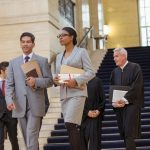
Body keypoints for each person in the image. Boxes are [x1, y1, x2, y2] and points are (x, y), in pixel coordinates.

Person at [5, 32, 53, 150]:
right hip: (19, 105)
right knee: (28, 138)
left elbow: (50, 81)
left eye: (28, 42)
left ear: (33, 44)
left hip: (35, 104)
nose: (25, 44)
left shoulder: (42, 60)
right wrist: (9, 100)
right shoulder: (13, 62)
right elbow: (9, 85)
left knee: (31, 134)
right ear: (20, 44)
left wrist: (36, 81)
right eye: (23, 42)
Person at [53, 27, 95, 150]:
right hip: (64, 94)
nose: (60, 37)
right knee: (70, 126)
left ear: (72, 37)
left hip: (77, 93)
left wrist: (76, 80)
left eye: (63, 35)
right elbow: (58, 74)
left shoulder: (81, 52)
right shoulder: (58, 56)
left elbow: (90, 72)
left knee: (70, 123)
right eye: (59, 36)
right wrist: (55, 79)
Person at [110, 48, 144, 150]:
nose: (114, 59)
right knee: (124, 133)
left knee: (129, 132)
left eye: (116, 56)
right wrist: (114, 102)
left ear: (124, 56)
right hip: (119, 107)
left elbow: (137, 86)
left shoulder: (135, 67)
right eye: (113, 57)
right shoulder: (114, 72)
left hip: (131, 104)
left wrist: (124, 99)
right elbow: (112, 88)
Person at [81, 76, 105, 150]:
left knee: (95, 144)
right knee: (81, 144)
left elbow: (103, 99)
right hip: (80, 117)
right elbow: (75, 101)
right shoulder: (76, 81)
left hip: (95, 116)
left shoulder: (97, 81)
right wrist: (86, 112)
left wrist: (98, 110)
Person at [0, 61, 19, 150]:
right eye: (8, 70)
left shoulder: (14, 83)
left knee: (14, 140)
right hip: (0, 115)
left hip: (12, 115)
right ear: (2, 71)